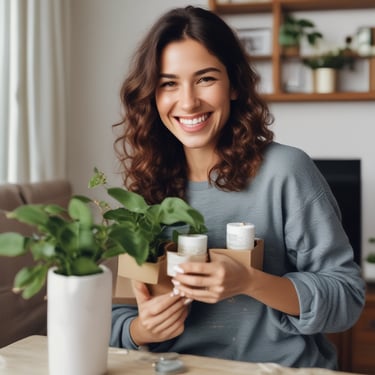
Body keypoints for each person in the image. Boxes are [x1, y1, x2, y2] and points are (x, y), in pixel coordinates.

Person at [110, 5, 365, 369]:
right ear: (152, 94)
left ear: (234, 85)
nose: (188, 101)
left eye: (206, 79)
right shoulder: (145, 184)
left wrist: (249, 281)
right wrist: (140, 330)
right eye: (169, 83)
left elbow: (346, 299)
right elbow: (117, 313)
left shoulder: (285, 171)